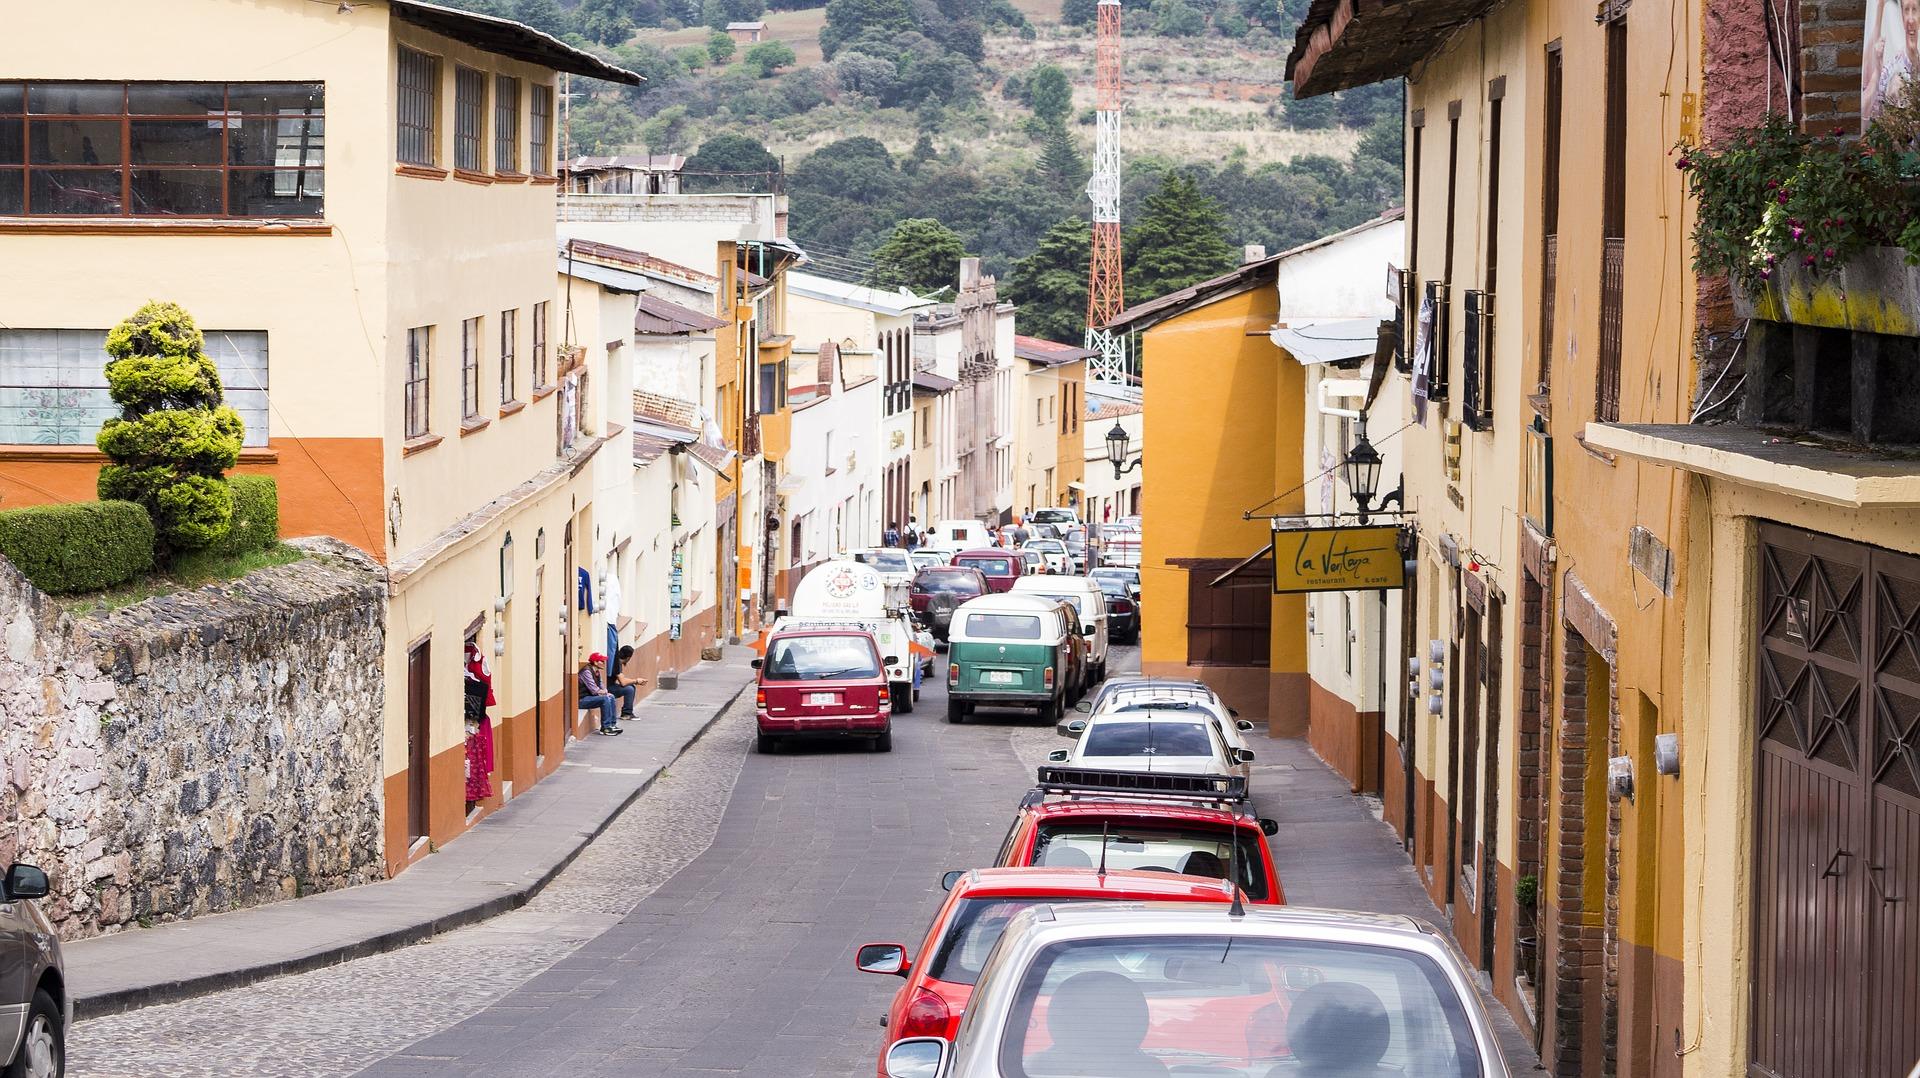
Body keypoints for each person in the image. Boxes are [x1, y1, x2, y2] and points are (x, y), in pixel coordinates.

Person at [579, 655, 622, 735]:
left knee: (611, 696)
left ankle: (612, 725)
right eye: (601, 661)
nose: (604, 663)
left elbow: (602, 686)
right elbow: (594, 690)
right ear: (595, 662)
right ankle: (605, 728)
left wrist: (605, 692)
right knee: (605, 699)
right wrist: (604, 692)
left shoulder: (597, 671)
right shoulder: (586, 671)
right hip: (581, 700)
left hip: (589, 697)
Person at [610, 644, 647, 717]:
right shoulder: (617, 663)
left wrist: (635, 681)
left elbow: (622, 678)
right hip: (608, 688)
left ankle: (627, 712)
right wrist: (636, 681)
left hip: (610, 685)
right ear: (628, 658)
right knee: (629, 689)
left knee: (631, 686)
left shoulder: (616, 662)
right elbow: (623, 682)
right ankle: (627, 713)